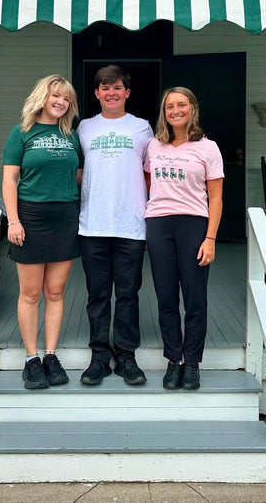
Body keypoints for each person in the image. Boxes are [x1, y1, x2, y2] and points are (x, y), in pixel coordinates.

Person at [2, 75, 82, 390]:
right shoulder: (21, 133)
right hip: (31, 218)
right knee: (31, 293)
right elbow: (10, 180)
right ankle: (31, 359)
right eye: (55, 96)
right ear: (42, 97)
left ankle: (50, 355)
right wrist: (13, 220)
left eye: (66, 98)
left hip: (65, 218)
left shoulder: (72, 136)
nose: (61, 102)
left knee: (56, 292)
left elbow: (78, 176)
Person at [78, 65, 153, 386]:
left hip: (131, 224)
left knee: (127, 295)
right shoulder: (83, 127)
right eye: (105, 88)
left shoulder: (142, 128)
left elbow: (152, 172)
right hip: (92, 224)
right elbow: (76, 170)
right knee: (97, 295)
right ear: (97, 93)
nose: (111, 93)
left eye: (117, 87)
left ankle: (125, 356)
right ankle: (99, 356)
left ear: (127, 92)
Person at [144, 87, 223, 391]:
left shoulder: (208, 148)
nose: (175, 111)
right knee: (165, 297)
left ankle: (191, 362)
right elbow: (148, 183)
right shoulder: (154, 146)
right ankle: (173, 359)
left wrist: (210, 237)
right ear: (164, 113)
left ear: (192, 108)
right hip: (159, 223)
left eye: (181, 105)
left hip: (194, 225)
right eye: (169, 107)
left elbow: (215, 197)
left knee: (194, 298)